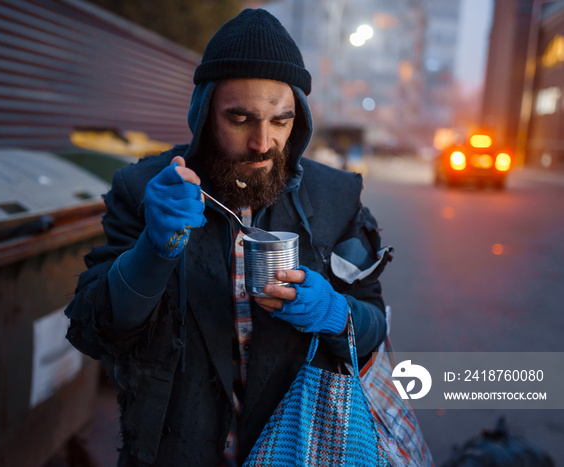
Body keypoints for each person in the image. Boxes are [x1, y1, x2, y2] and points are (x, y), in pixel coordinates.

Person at [65, 8, 392, 466]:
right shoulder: (146, 190)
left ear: (298, 120)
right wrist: (152, 252)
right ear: (203, 115)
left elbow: (375, 330)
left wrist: (335, 313)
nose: (262, 142)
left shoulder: (336, 198)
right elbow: (94, 331)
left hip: (300, 450)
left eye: (280, 121)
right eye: (240, 119)